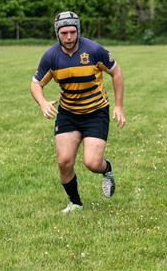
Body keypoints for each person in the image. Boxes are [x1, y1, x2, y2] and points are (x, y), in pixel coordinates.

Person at [30, 11, 126, 213]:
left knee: (92, 162)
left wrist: (118, 106)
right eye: (64, 33)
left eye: (72, 32)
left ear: (78, 31)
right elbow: (35, 84)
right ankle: (75, 203)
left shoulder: (94, 50)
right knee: (64, 162)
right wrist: (42, 102)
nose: (69, 37)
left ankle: (107, 170)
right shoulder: (51, 56)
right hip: (68, 113)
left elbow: (116, 72)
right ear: (57, 33)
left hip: (96, 111)